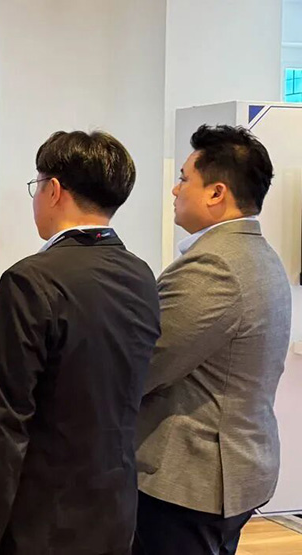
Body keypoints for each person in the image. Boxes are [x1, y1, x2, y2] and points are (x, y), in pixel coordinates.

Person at [0, 131, 161, 555]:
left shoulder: (30, 279)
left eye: (36, 186)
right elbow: (71, 326)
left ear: (54, 190)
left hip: (43, 517)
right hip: (115, 507)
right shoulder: (139, 275)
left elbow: (3, 427)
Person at [132, 125, 291, 555]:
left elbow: (143, 365)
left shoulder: (215, 267)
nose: (175, 189)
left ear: (216, 193)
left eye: (184, 179)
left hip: (191, 477)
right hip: (234, 466)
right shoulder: (259, 255)